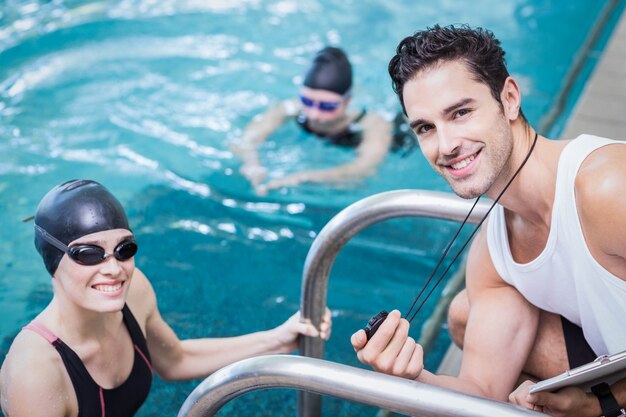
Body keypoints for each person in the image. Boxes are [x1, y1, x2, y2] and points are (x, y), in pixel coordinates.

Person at [350, 24, 626, 417]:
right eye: (426, 128)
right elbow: (483, 391)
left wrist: (603, 403)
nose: (445, 146)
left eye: (460, 113)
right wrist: (411, 380)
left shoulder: (608, 188)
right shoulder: (496, 249)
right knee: (466, 311)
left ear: (509, 99)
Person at [0, 179, 331, 417]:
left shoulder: (134, 290)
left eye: (124, 249)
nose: (113, 268)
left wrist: (279, 339)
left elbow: (175, 360)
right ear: (52, 262)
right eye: (89, 254)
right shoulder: (36, 374)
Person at [232, 46, 415, 195]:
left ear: (347, 102)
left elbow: (363, 170)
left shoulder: (373, 125)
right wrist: (252, 164)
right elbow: (246, 140)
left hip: (397, 140)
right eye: (307, 101)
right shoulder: (290, 109)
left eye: (327, 107)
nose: (314, 114)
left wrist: (304, 177)